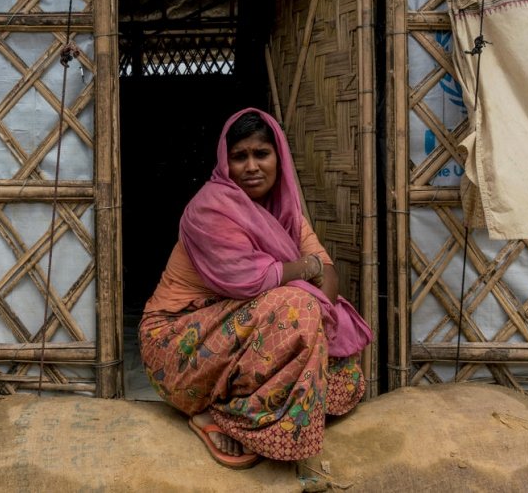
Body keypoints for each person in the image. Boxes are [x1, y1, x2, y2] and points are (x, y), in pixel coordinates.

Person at [139, 107, 373, 468]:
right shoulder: (210, 209)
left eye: (261, 154)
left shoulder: (287, 213)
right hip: (176, 346)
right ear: (224, 162)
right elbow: (254, 281)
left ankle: (228, 409)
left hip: (238, 336)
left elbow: (328, 279)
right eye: (239, 157)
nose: (251, 166)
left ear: (278, 159)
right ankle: (222, 418)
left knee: (345, 377)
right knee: (297, 308)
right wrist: (305, 274)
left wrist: (308, 283)